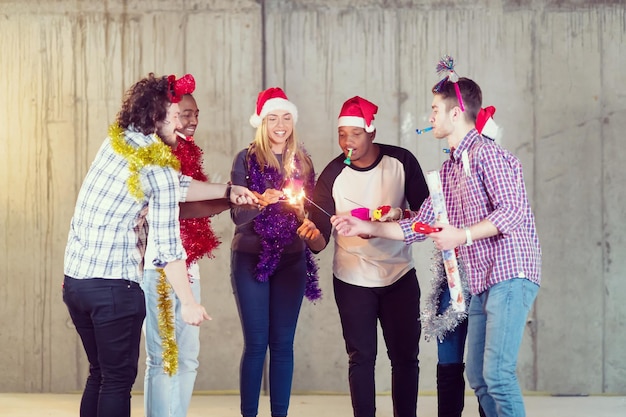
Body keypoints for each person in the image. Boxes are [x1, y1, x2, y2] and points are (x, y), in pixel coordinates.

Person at [331, 78, 541, 417]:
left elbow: (513, 211)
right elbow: (419, 225)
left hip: (510, 274)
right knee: (479, 376)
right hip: (483, 280)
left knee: (498, 376)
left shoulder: (488, 153)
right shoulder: (449, 170)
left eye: (435, 110)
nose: (430, 118)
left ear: (456, 113)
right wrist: (364, 226)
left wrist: (463, 235)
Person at [62, 73, 260, 417]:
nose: (182, 126)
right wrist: (188, 302)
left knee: (100, 374)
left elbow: (177, 184)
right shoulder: (158, 167)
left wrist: (227, 191)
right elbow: (167, 245)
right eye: (175, 117)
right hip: (114, 288)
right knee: (117, 380)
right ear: (155, 117)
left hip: (76, 283)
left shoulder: (119, 142)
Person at [298, 96, 429, 417]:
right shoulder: (332, 175)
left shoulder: (401, 162)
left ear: (371, 133)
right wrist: (312, 238)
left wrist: (389, 220)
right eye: (342, 134)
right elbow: (320, 239)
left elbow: (429, 217)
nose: (347, 142)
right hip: (352, 278)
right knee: (361, 357)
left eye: (354, 134)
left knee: (405, 358)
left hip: (399, 276)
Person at [230, 87, 322, 417]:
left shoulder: (304, 162)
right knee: (256, 344)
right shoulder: (246, 158)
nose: (280, 125)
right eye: (273, 118)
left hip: (293, 260)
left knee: (283, 345)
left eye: (286, 117)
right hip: (251, 258)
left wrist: (303, 217)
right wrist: (259, 200)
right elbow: (238, 217)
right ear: (262, 123)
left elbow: (314, 213)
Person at [142, 92, 230, 417]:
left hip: (188, 264)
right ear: (168, 115)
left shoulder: (187, 151)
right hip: (161, 266)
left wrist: (234, 195)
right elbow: (180, 209)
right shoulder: (155, 154)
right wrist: (231, 197)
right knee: (164, 358)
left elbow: (190, 200)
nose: (192, 120)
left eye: (196, 113)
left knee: (188, 357)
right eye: (185, 113)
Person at [422, 106, 502, 417]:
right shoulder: (450, 175)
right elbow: (432, 217)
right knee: (449, 359)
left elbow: (508, 216)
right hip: (453, 278)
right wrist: (398, 217)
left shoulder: (492, 166)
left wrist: (466, 235)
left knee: (487, 369)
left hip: (489, 278)